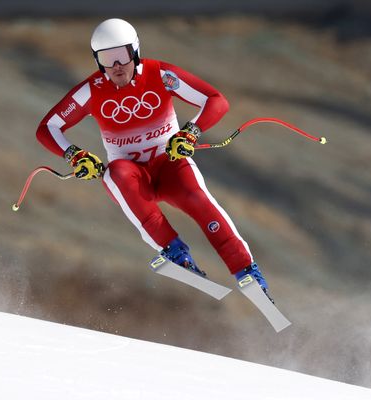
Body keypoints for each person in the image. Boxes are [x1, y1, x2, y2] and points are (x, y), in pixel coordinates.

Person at [36, 18, 270, 295]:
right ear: (97, 61)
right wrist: (74, 155)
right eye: (106, 59)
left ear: (135, 51)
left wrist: (191, 132)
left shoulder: (160, 75)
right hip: (134, 181)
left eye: (121, 56)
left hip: (169, 165)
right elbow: (47, 127)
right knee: (116, 173)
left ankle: (246, 269)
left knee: (198, 199)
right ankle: (173, 250)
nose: (116, 66)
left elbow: (216, 100)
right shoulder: (92, 89)